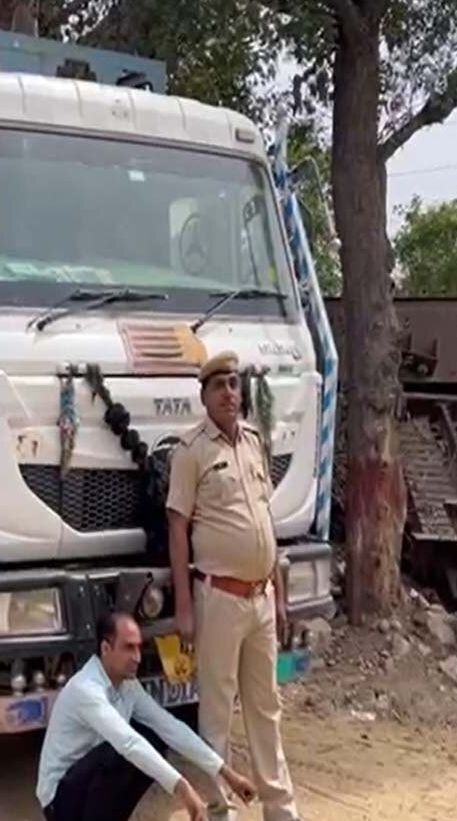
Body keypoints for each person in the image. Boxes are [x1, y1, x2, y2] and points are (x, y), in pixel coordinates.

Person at [166, 350, 300, 821]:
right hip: (218, 597)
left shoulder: (253, 442)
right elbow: (178, 528)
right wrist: (184, 605)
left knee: (267, 707)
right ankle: (220, 812)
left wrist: (280, 598)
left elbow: (266, 522)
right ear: (203, 396)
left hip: (261, 597)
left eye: (233, 384)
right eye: (218, 385)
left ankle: (281, 810)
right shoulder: (191, 452)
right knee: (217, 712)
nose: (229, 392)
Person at [36, 611, 257, 821]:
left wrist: (226, 773)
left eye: (139, 648)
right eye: (128, 648)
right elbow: (128, 742)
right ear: (105, 648)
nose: (137, 657)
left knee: (154, 738)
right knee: (120, 751)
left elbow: (169, 726)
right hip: (60, 801)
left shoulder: (128, 684)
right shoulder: (86, 689)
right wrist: (183, 788)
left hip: (88, 787)